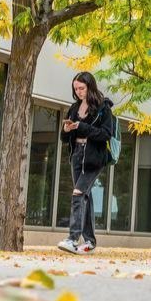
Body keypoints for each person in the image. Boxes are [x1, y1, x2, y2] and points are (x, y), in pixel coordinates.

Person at [56, 72, 115, 255]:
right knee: (85, 197)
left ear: (90, 86)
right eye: (76, 88)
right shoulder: (74, 108)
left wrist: (82, 127)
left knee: (78, 193)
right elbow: (64, 138)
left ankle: (73, 239)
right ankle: (89, 241)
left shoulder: (103, 108)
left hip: (94, 158)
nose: (79, 92)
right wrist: (66, 130)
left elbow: (106, 134)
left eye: (82, 88)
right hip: (77, 156)